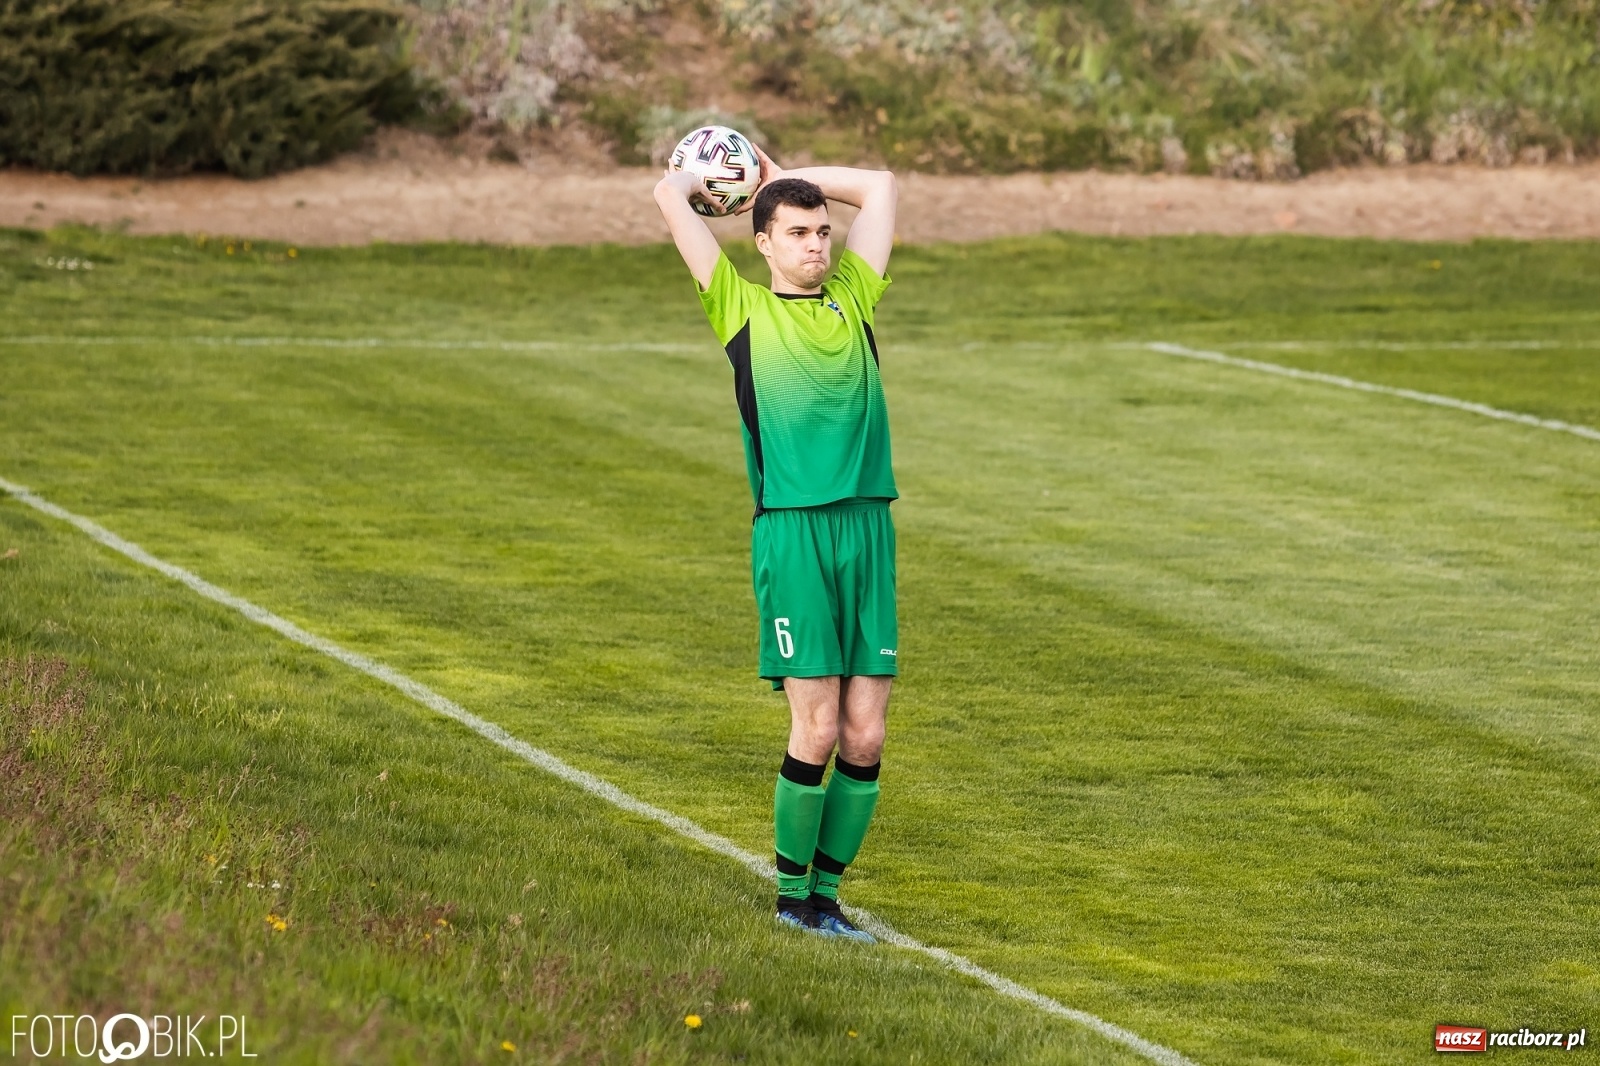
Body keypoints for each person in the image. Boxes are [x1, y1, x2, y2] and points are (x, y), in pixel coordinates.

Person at [653, 145, 900, 941]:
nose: (817, 245)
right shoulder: (739, 308)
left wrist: (780, 172)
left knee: (865, 733)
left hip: (868, 527)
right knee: (819, 727)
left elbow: (881, 186)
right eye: (796, 233)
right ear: (762, 243)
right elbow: (669, 193)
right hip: (793, 533)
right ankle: (794, 901)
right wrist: (712, 186)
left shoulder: (855, 295)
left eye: (823, 232)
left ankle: (827, 898)